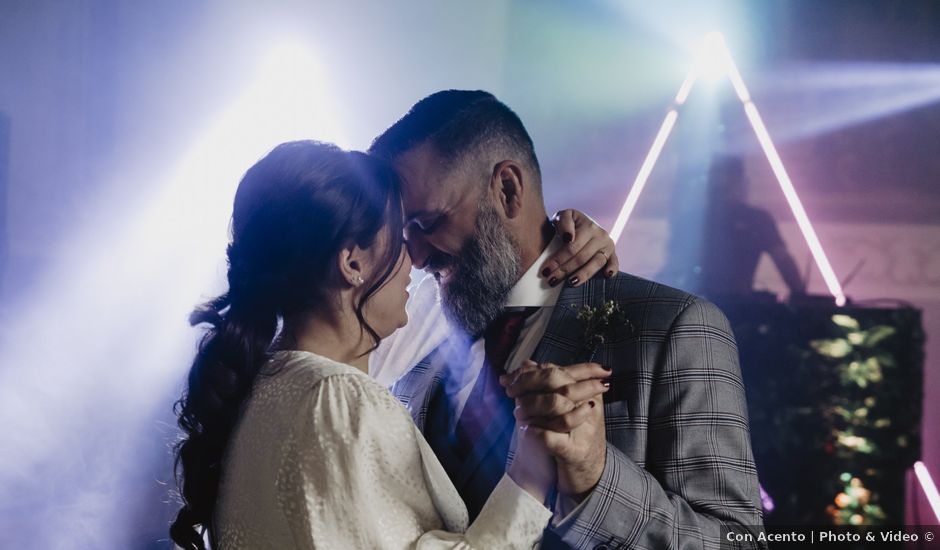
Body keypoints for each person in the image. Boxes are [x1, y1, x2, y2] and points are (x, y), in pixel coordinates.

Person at [169, 140, 615, 549]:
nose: (415, 260)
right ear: (352, 261)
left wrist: (565, 236)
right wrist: (533, 465)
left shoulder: (261, 384)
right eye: (401, 235)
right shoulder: (340, 399)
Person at [369, 90, 766, 549]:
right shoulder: (413, 342)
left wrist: (595, 480)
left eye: (429, 222)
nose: (415, 256)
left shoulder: (676, 327)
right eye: (404, 233)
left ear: (508, 190)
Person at [660, 154, 806, 299]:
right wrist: (800, 297)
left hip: (700, 304)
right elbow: (783, 260)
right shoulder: (757, 219)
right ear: (742, 182)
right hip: (739, 307)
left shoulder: (689, 219)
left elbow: (673, 266)